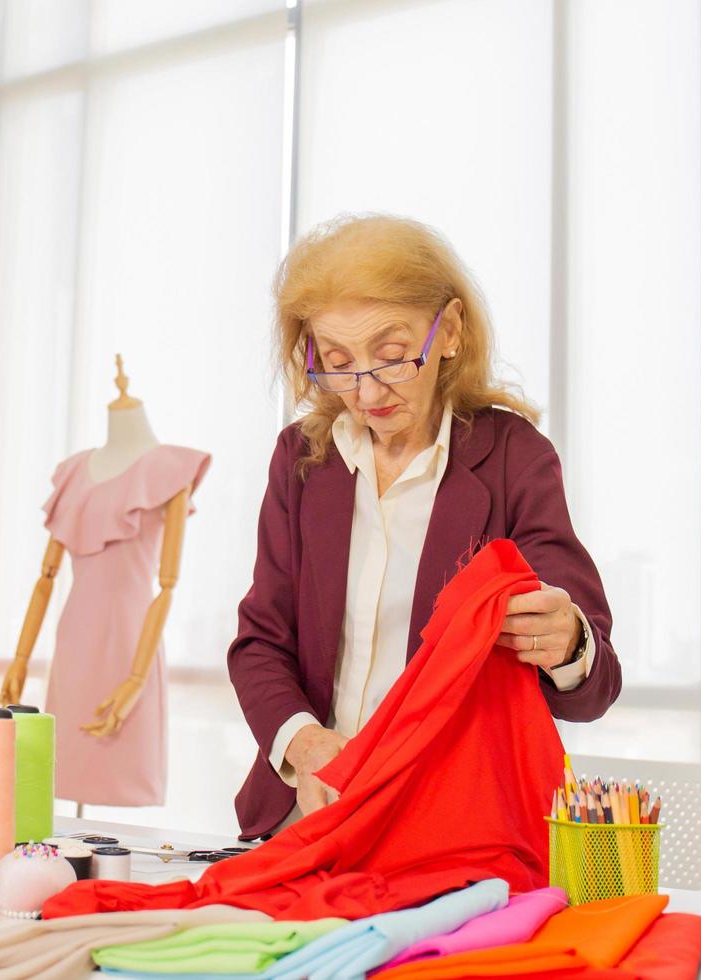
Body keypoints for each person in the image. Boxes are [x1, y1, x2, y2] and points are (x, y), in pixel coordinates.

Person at [227, 214, 622, 839]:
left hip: (448, 827)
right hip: (308, 815)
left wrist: (568, 642)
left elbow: (592, 689)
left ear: (451, 332)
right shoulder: (303, 462)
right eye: (336, 362)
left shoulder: (513, 459)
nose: (365, 389)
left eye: (390, 355)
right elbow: (260, 644)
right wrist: (304, 745)